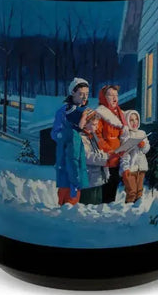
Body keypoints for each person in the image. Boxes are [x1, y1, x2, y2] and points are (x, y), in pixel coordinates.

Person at [51, 78, 90, 206]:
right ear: (72, 93)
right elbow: (55, 133)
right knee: (66, 188)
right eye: (81, 93)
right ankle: (64, 210)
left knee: (77, 186)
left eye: (86, 94)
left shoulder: (86, 112)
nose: (84, 97)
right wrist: (69, 135)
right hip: (66, 155)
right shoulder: (63, 112)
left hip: (80, 155)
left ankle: (72, 211)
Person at [95, 85, 127, 203]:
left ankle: (110, 206)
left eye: (116, 95)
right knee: (106, 184)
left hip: (119, 155)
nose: (115, 98)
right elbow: (96, 136)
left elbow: (124, 133)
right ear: (103, 98)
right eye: (111, 95)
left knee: (114, 183)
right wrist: (109, 150)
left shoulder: (120, 113)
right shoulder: (99, 114)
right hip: (106, 156)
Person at [79, 109, 109, 205]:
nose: (96, 127)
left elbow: (100, 151)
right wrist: (106, 159)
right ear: (85, 124)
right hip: (88, 179)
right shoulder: (81, 138)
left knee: (97, 204)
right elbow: (87, 156)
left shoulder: (94, 137)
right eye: (93, 124)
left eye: (97, 124)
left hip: (98, 178)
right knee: (88, 204)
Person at [119, 110, 150, 203]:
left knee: (139, 190)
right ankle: (129, 207)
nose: (134, 122)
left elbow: (146, 149)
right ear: (127, 121)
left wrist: (143, 145)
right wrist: (125, 168)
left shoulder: (142, 133)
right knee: (131, 191)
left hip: (141, 166)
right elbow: (123, 153)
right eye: (131, 120)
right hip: (130, 167)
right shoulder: (125, 135)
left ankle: (138, 208)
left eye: (136, 119)